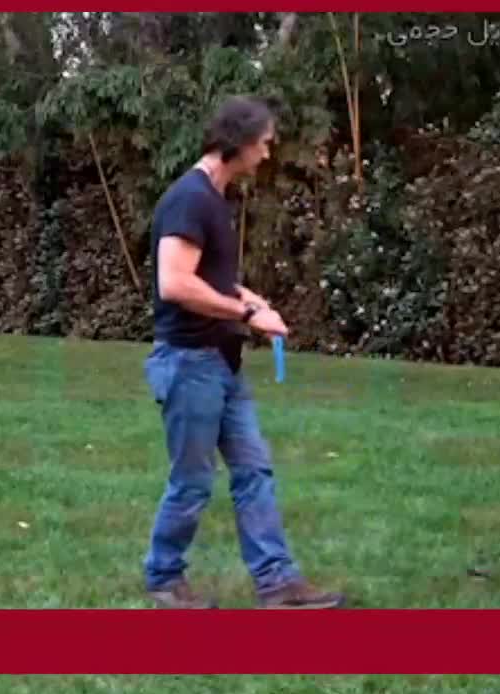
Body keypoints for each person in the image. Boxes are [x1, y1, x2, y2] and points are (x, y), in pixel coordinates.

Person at [140, 96, 346, 610]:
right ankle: (164, 578)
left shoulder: (214, 198)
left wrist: (246, 296)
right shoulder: (190, 199)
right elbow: (174, 283)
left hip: (221, 363)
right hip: (189, 363)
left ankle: (278, 583)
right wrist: (248, 314)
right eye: (265, 143)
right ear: (238, 141)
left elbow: (209, 278)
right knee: (193, 482)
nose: (268, 154)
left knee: (254, 471)